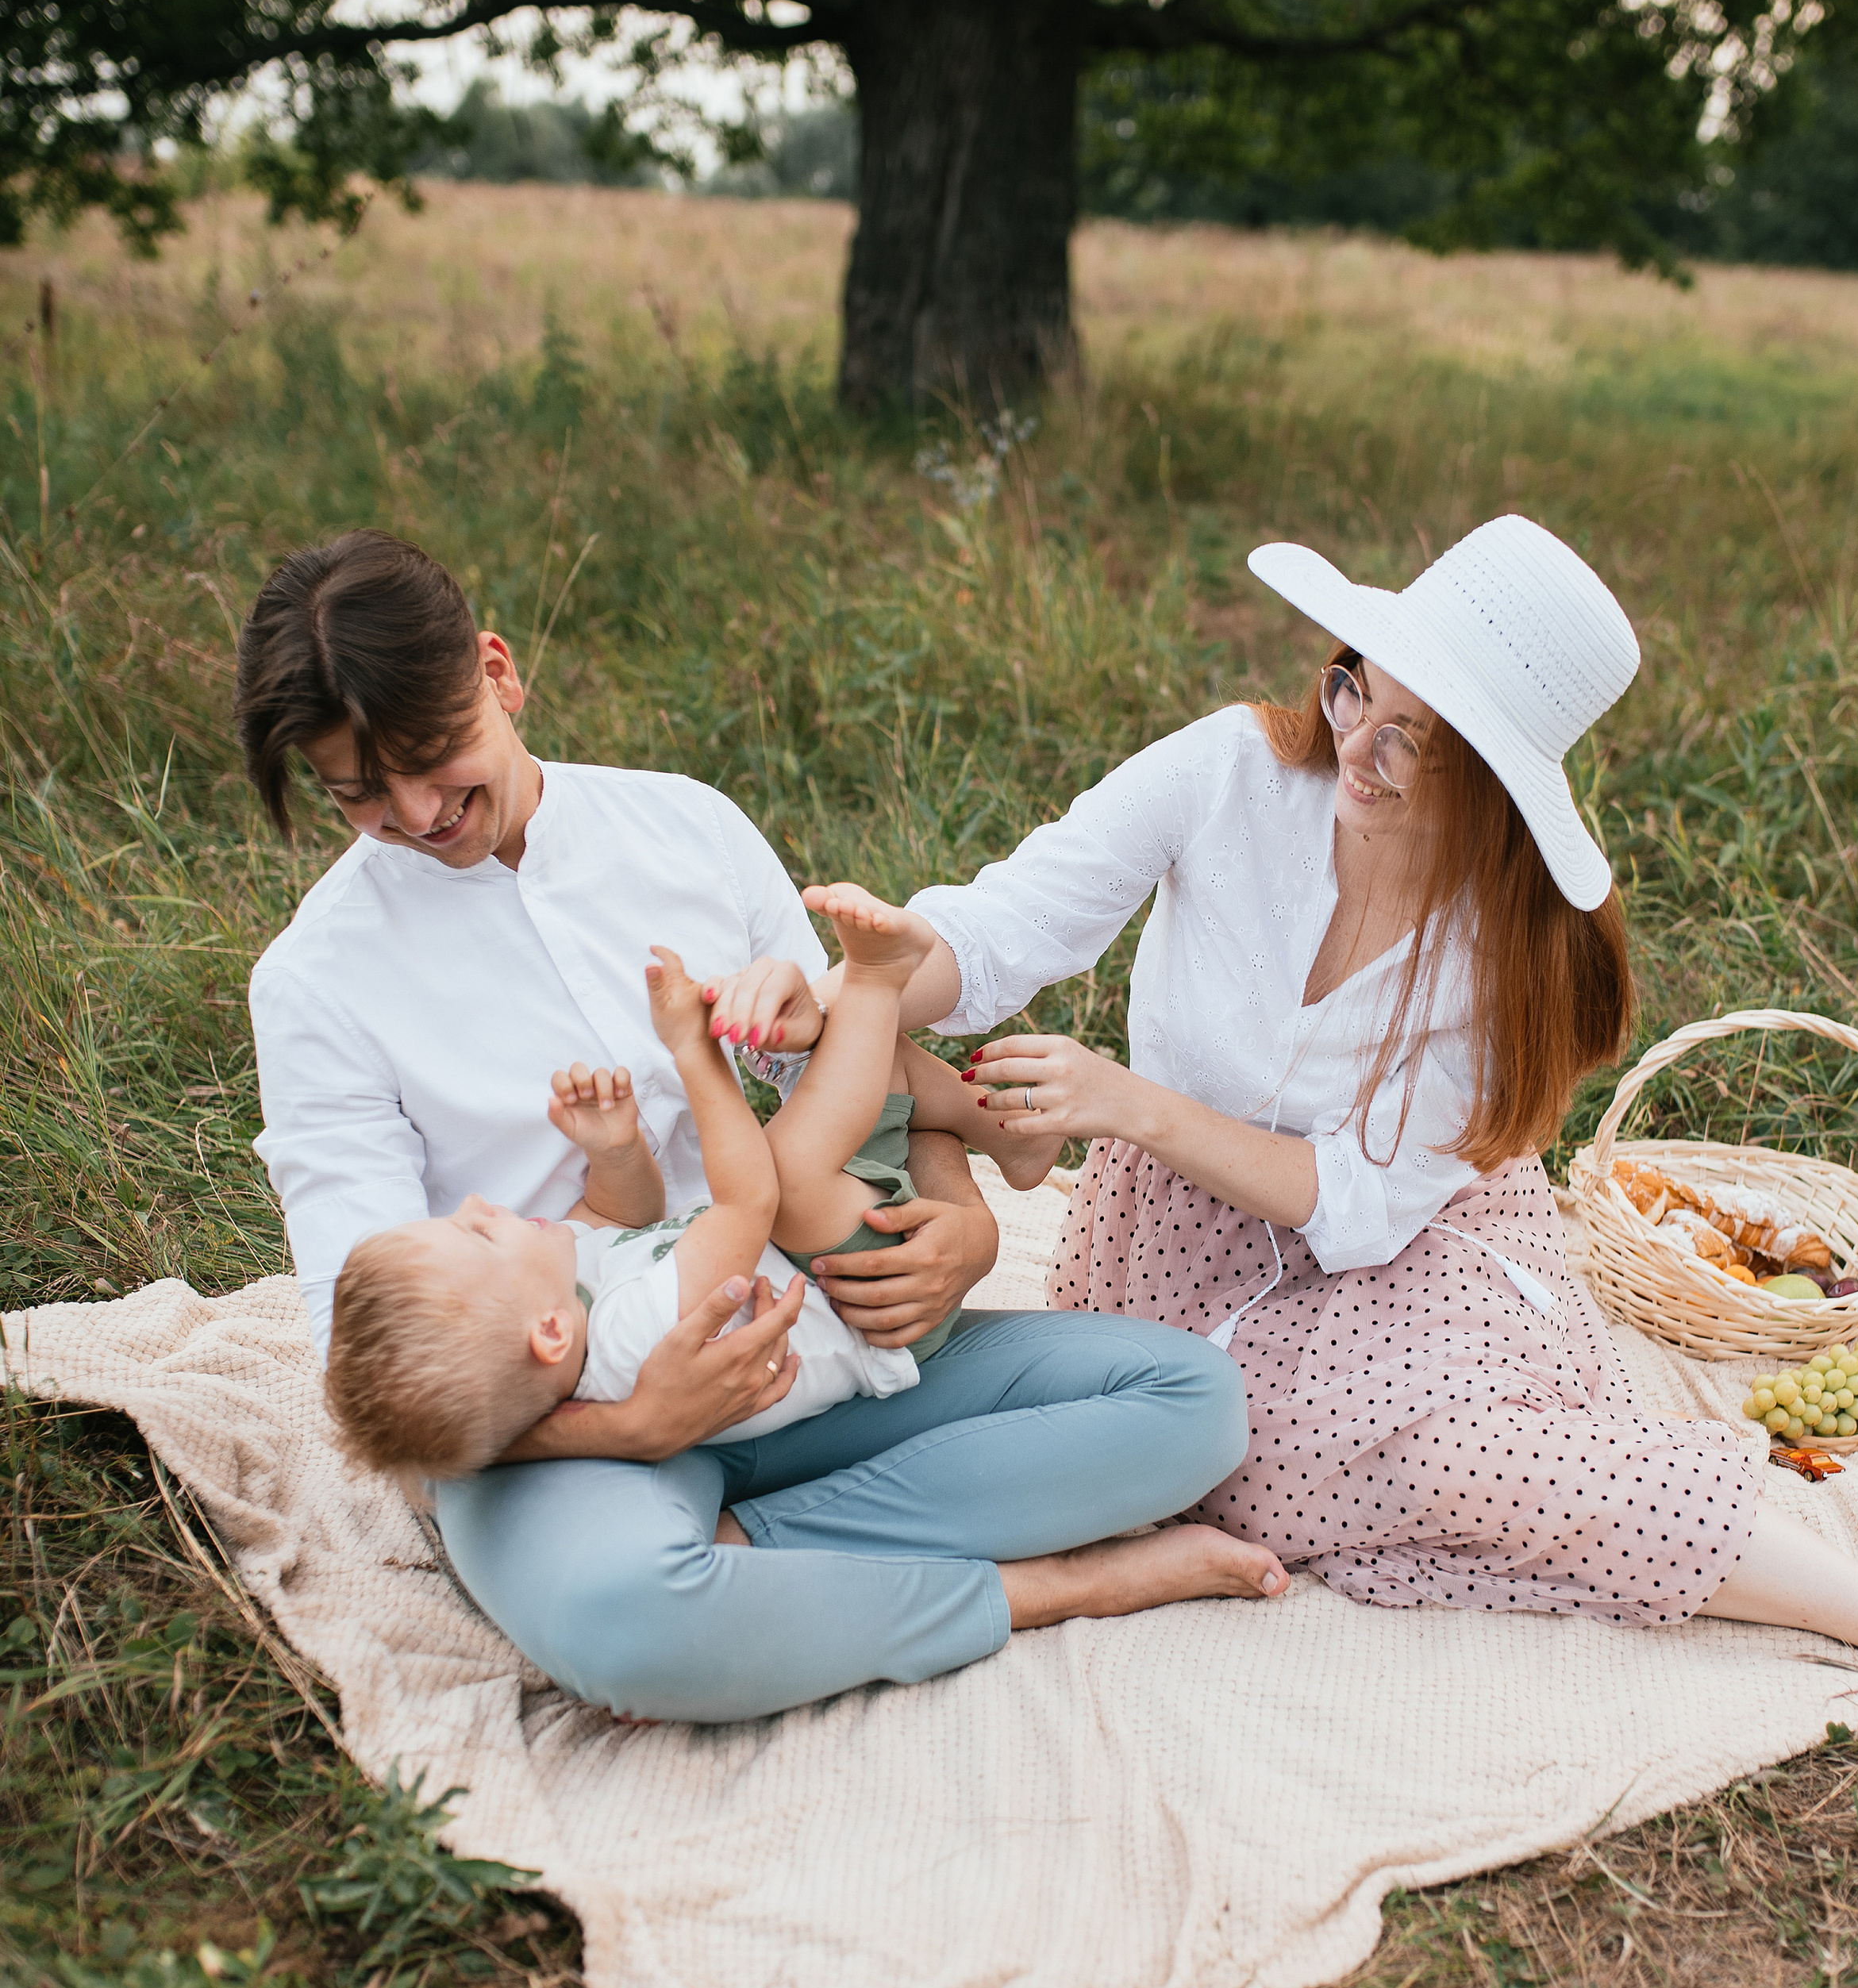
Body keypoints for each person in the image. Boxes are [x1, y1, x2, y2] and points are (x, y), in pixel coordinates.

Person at [733, 513, 1858, 1752]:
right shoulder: (1230, 771)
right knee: (1227, 1440)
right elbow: (1006, 928)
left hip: (1407, 1240)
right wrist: (864, 980)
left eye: (1421, 738)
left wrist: (1132, 1105)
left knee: (1462, 1454)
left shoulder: (1504, 950)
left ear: (1498, 783)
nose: (1360, 747)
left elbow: (1356, 1205)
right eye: (1359, 690)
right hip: (1183, 1237)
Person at [237, 530, 1287, 1728]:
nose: (418, 812)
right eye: (358, 793)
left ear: (498, 672)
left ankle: (757, 1552)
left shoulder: (686, 827)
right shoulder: (317, 981)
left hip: (828, 1326)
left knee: (1193, 1404)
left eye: (433, 759)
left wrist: (962, 1227)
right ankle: (1036, 1589)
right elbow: (371, 1380)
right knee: (628, 1621)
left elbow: (858, 1059)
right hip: (566, 1430)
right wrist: (637, 1428)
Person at [323, 892, 1050, 1479]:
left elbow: (619, 1214)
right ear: (547, 1333)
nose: (478, 1206)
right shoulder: (628, 1346)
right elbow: (749, 1202)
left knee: (856, 1065)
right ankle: (876, 978)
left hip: (825, 1260)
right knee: (790, 1173)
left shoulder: (564, 1298)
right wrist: (693, 1051)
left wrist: (612, 1153)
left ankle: (1003, 1137)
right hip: (868, 1307)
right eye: (475, 1232)